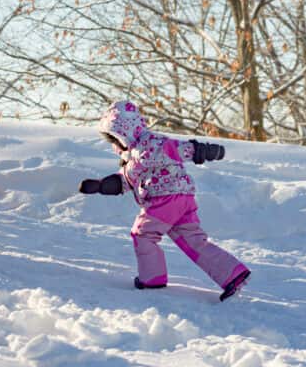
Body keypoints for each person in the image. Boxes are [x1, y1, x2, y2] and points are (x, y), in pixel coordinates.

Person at [79, 100, 251, 301]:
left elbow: (178, 148)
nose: (114, 146)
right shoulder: (134, 156)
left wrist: (203, 151)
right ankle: (233, 274)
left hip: (165, 199)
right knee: (193, 240)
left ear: (124, 133)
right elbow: (125, 180)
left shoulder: (151, 144)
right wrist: (100, 186)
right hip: (182, 198)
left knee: (143, 234)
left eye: (114, 140)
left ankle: (152, 278)